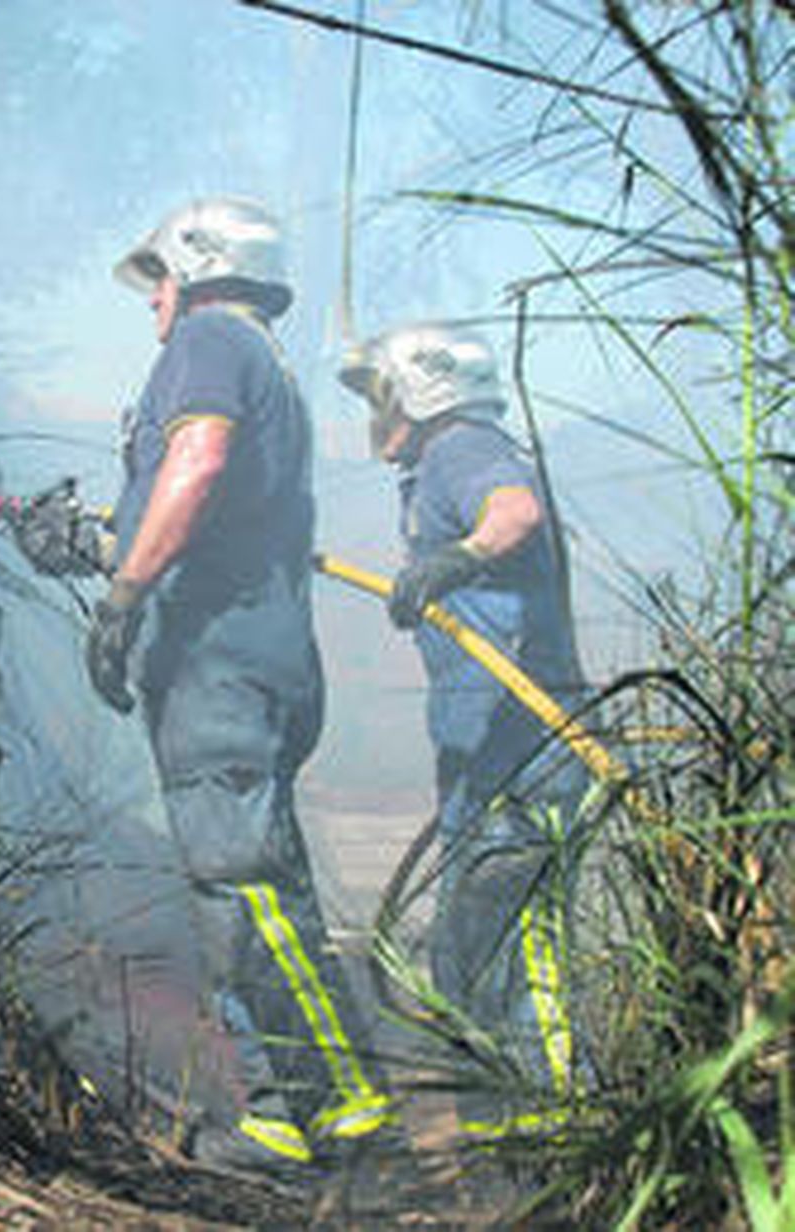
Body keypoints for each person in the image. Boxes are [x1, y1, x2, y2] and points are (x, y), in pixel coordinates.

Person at [21, 197, 393, 1177]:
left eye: (156, 283)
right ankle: (274, 1113)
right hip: (244, 657)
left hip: (219, 665)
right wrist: (92, 549)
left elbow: (198, 461)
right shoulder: (254, 358)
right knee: (245, 885)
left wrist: (122, 597)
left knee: (245, 887)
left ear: (195, 270)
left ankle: (344, 1106)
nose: (151, 306)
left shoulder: (208, 342)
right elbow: (194, 508)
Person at [337, 322, 587, 1135]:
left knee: (527, 943)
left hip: (529, 741)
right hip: (486, 746)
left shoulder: (462, 445)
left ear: (425, 390)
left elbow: (514, 514)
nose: (376, 419)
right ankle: (499, 1120)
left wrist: (454, 560)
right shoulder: (438, 460)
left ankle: (562, 1121)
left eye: (383, 398)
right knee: (471, 944)